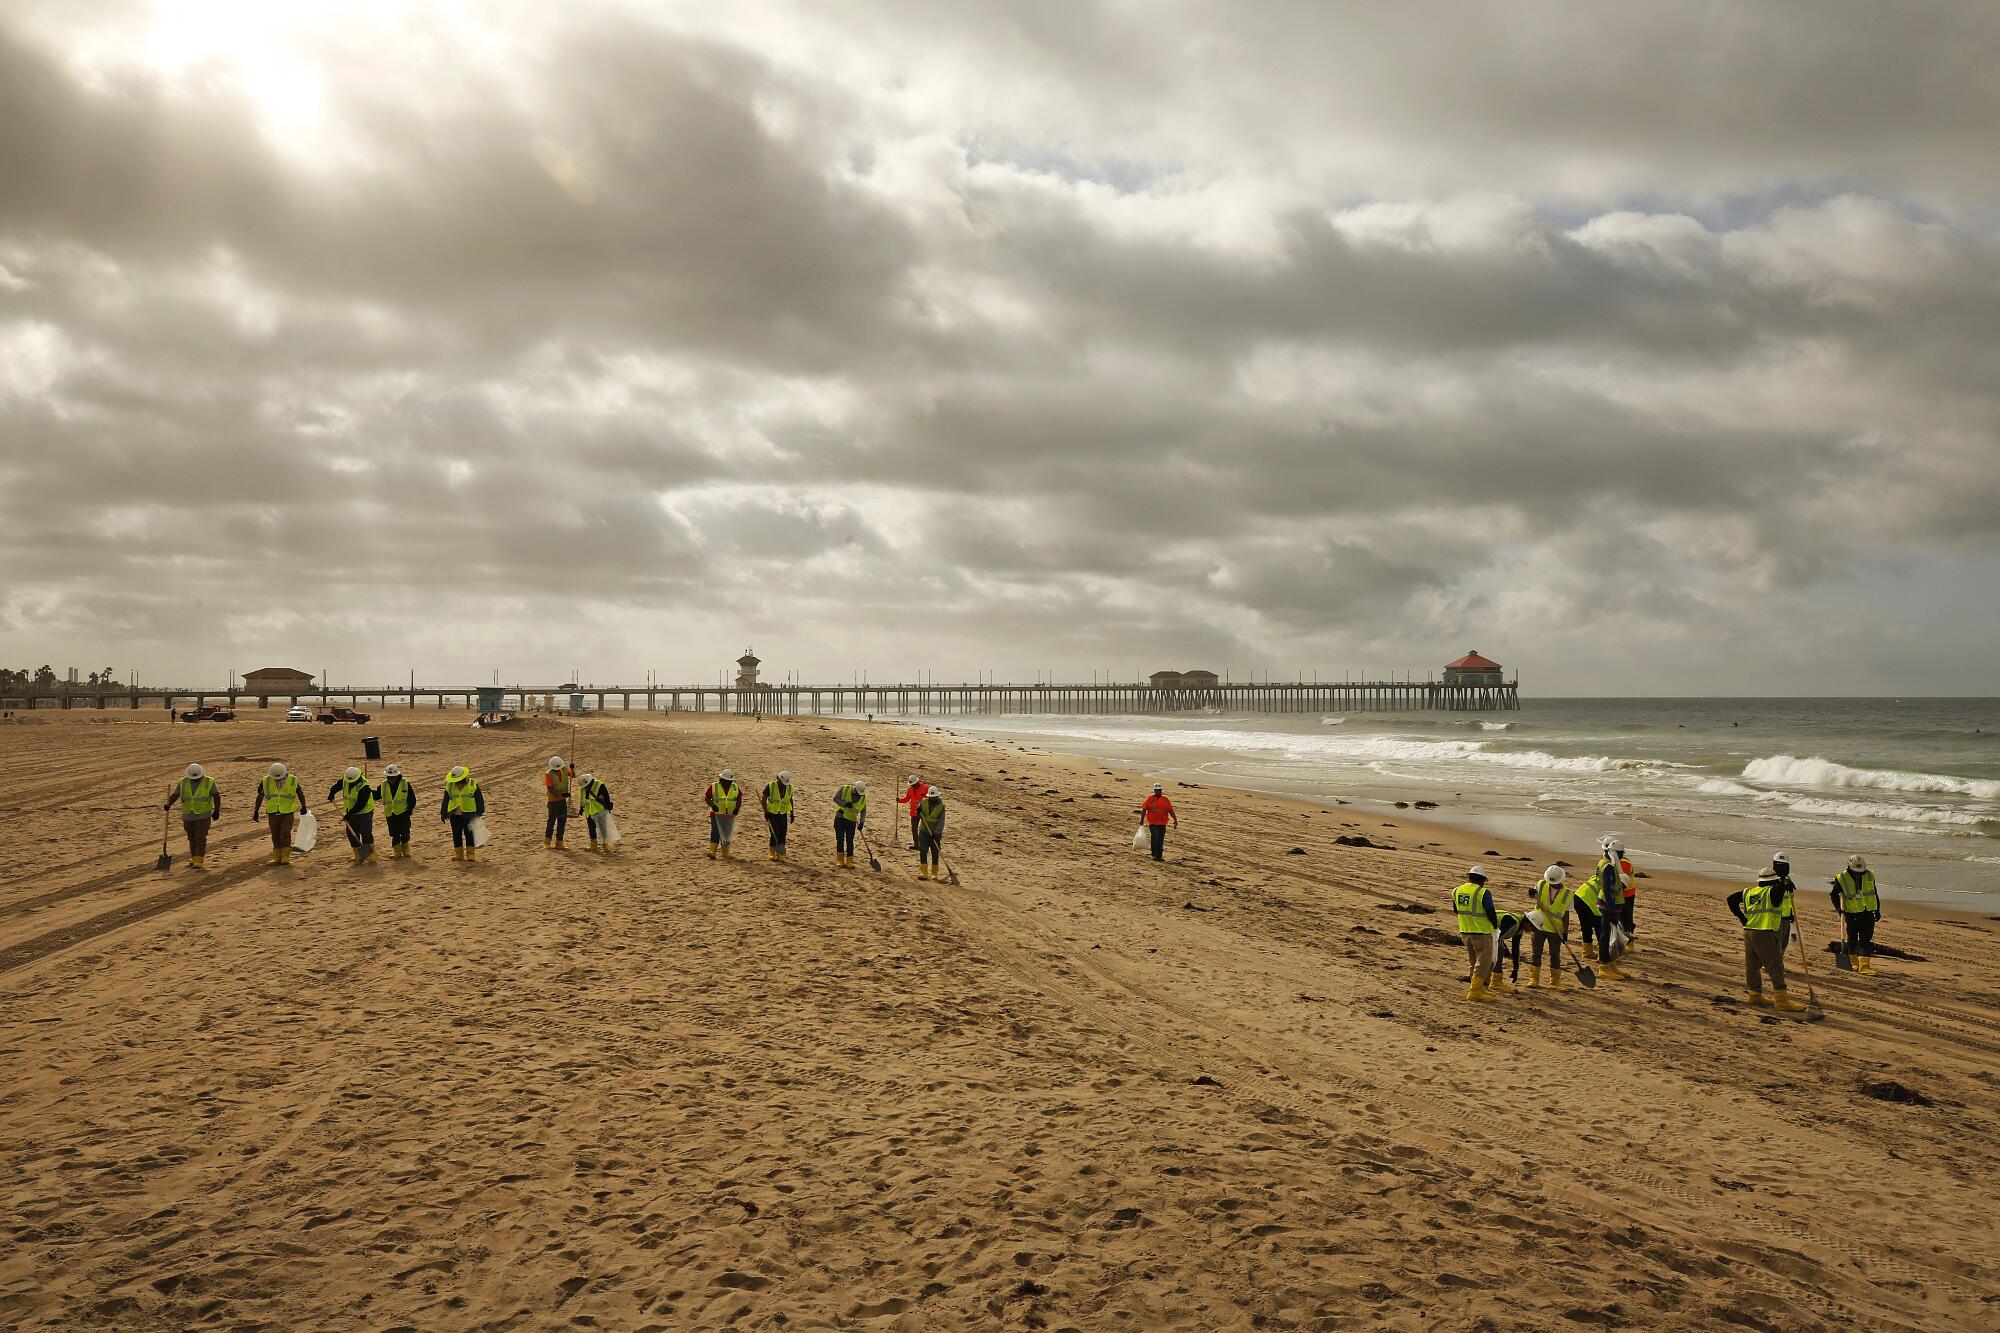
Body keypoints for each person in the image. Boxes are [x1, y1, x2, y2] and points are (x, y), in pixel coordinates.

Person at [1729, 866, 1805, 1012]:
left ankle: (1754, 995)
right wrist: (1785, 885)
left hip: (1749, 931)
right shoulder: (1771, 892)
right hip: (1764, 933)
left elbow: (1731, 899)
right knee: (1775, 965)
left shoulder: (1750, 892)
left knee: (1752, 965)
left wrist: (1741, 918)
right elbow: (1777, 892)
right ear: (1773, 881)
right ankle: (1782, 1001)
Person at [1576, 847, 1629, 980]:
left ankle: (1587, 951)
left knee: (1586, 925)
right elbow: (1602, 908)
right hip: (1587, 900)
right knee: (1600, 929)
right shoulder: (1610, 879)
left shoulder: (1606, 872)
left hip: (1578, 895)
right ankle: (1603, 959)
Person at [1453, 865, 1500, 1002]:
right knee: (1484, 961)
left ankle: (1480, 988)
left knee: (1473, 960)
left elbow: (1456, 909)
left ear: (1469, 877)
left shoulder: (1457, 890)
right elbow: (1490, 912)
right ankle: (1475, 991)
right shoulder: (1483, 892)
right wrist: (1495, 926)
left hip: (1465, 930)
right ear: (1482, 880)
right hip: (1481, 931)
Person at [1829, 854, 1882, 975]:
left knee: (1865, 940)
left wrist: (1877, 910)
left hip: (1868, 912)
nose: (1859, 873)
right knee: (1852, 939)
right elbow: (1833, 895)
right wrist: (1839, 909)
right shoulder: (1842, 877)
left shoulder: (1869, 875)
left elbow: (1874, 893)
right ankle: (1853, 963)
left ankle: (1864, 966)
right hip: (1852, 914)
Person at [1525, 865, 1574, 991]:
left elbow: (1566, 914)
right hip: (1538, 925)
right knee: (1536, 953)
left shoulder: (1568, 894)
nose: (1553, 885)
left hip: (1555, 928)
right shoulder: (1541, 884)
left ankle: (1554, 981)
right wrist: (1531, 894)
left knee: (1555, 955)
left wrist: (1565, 931)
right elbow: (1533, 896)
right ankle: (1533, 978)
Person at [163, 762, 220, 870]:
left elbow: (216, 796)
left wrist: (216, 811)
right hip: (188, 815)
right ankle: (194, 858)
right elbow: (175, 795)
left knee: (200, 837)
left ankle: (199, 860)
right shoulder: (183, 782)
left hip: (203, 815)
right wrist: (168, 804)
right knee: (191, 838)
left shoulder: (209, 781)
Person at [250, 761, 304, 866]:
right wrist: (256, 811)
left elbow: (300, 793)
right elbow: (260, 796)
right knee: (275, 834)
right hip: (272, 812)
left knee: (285, 833)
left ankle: (285, 856)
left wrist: (304, 806)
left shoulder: (292, 780)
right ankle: (277, 857)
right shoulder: (265, 781)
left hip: (287, 812)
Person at [327, 766, 377, 864]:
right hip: (351, 812)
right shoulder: (346, 780)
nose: (351, 783)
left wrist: (349, 814)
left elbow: (360, 804)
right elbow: (337, 786)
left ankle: (371, 853)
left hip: (365, 812)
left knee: (365, 832)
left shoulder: (364, 787)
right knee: (351, 833)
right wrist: (332, 793)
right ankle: (358, 855)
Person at [440, 765, 484, 862]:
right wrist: (443, 813)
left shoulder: (473, 784)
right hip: (454, 815)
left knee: (469, 834)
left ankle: (470, 854)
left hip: (469, 814)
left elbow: (479, 799)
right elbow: (446, 800)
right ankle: (459, 854)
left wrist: (480, 811)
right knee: (456, 834)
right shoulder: (449, 786)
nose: (457, 783)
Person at [376, 763, 415, 859]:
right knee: (394, 833)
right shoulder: (383, 785)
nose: (390, 779)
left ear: (397, 776)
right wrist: (367, 791)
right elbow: (376, 795)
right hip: (390, 813)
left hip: (403, 812)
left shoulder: (405, 783)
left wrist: (409, 810)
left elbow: (412, 798)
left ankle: (405, 848)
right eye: (388, 777)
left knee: (405, 832)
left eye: (392, 777)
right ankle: (397, 851)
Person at [705, 768, 742, 860]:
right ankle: (712, 851)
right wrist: (713, 805)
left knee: (726, 833)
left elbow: (739, 799)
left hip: (729, 815)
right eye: (728, 781)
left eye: (730, 781)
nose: (729, 783)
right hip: (716, 814)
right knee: (716, 831)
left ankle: (725, 852)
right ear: (722, 780)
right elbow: (707, 798)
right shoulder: (714, 786)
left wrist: (737, 808)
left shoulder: (735, 787)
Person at [1138, 783, 1178, 861]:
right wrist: (1141, 819)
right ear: (1154, 790)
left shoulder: (1165, 800)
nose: (1158, 791)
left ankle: (1159, 856)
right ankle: (1154, 855)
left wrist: (1175, 819)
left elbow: (1170, 810)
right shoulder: (1150, 799)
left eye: (1159, 790)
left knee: (1160, 839)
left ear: (1161, 790)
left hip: (1163, 823)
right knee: (1155, 837)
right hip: (1153, 823)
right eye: (1156, 790)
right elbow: (1144, 810)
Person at [833, 778, 867, 868]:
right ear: (854, 788)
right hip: (840, 818)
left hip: (852, 820)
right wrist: (845, 804)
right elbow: (835, 799)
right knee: (840, 839)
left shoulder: (862, 797)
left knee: (850, 840)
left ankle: (849, 861)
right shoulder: (844, 788)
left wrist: (862, 823)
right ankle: (840, 860)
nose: (858, 795)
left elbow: (863, 810)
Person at [915, 786, 947, 880]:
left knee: (935, 852)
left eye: (934, 797)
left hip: (935, 833)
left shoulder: (941, 806)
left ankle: (934, 873)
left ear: (937, 797)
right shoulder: (924, 802)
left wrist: (936, 833)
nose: (933, 799)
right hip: (924, 831)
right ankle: (923, 872)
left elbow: (941, 821)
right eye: (931, 797)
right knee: (923, 850)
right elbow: (919, 813)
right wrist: (918, 811)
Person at [762, 771, 795, 861]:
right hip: (772, 813)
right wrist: (766, 812)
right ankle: (772, 851)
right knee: (775, 832)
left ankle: (780, 854)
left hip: (783, 813)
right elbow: (764, 799)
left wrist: (792, 813)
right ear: (778, 779)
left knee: (783, 833)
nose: (784, 785)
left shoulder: (789, 788)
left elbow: (790, 799)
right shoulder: (770, 786)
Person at [580, 771, 614, 851]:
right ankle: (593, 844)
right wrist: (581, 809)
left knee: (603, 828)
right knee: (591, 828)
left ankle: (605, 844)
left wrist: (608, 806)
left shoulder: (600, 785)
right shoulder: (582, 789)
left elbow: (606, 796)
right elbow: (582, 800)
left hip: (600, 810)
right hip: (589, 811)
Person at [544, 756, 573, 849]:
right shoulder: (548, 774)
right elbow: (551, 789)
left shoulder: (564, 769)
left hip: (562, 802)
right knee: (551, 822)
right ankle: (547, 842)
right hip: (553, 802)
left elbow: (573, 775)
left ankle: (559, 843)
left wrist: (572, 768)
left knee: (562, 821)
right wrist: (562, 795)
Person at [1771, 852, 1798, 954]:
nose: (1782, 869)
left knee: (1783, 944)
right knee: (1775, 944)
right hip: (1775, 917)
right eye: (1779, 866)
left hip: (1786, 917)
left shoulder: (1787, 879)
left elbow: (1789, 899)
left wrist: (1791, 913)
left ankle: (1778, 965)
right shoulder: (1771, 879)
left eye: (1784, 866)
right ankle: (1773, 966)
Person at [898, 773, 929, 849]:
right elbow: (907, 799)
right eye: (911, 785)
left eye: (913, 784)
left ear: (917, 782)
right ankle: (916, 845)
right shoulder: (910, 789)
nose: (912, 786)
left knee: (926, 828)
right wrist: (899, 800)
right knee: (914, 828)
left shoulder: (925, 788)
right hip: (914, 811)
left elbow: (929, 799)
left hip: (923, 811)